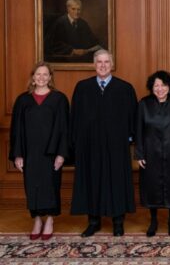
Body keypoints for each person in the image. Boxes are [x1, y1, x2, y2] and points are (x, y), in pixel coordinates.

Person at [70, 49, 137, 237]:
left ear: (112, 65)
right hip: (89, 146)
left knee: (117, 181)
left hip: (116, 146)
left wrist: (128, 139)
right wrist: (76, 143)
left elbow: (133, 117)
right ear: (94, 64)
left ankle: (118, 222)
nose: (103, 65)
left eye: (106, 62)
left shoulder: (125, 88)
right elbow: (74, 118)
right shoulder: (82, 88)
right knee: (92, 181)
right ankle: (93, 222)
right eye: (99, 62)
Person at [9, 62, 69, 241]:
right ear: (33, 77)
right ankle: (36, 220)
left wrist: (61, 154)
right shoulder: (23, 100)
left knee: (51, 186)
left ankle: (49, 220)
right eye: (38, 74)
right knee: (31, 186)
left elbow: (64, 128)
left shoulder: (59, 99)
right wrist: (18, 154)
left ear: (50, 78)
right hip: (30, 153)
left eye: (45, 74)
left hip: (51, 152)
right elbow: (16, 129)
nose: (41, 77)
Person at [135, 70, 170, 237]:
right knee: (151, 187)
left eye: (163, 85)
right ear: (151, 88)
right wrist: (139, 154)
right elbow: (138, 131)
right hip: (151, 153)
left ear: (169, 86)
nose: (160, 89)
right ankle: (153, 221)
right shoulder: (144, 104)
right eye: (156, 85)